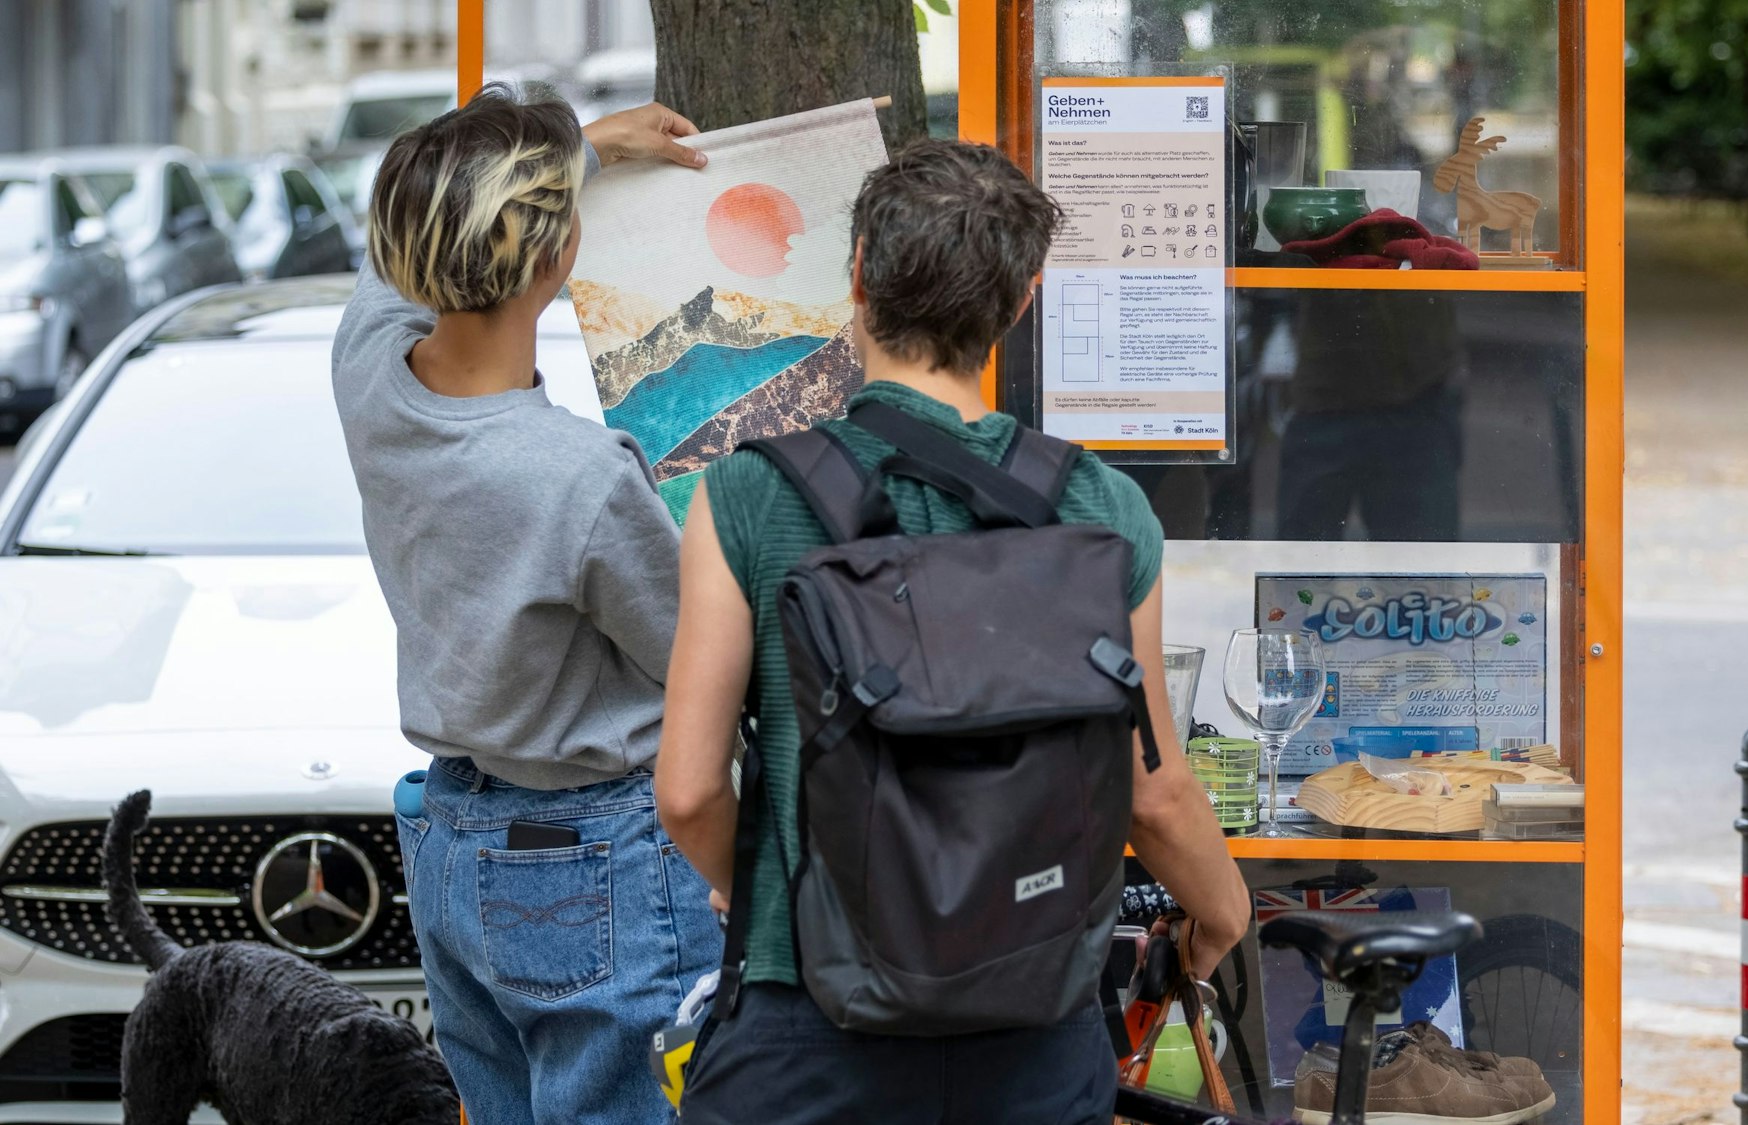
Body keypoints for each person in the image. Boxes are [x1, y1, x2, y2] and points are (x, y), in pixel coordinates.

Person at [656, 139, 1252, 1125]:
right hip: (1033, 1024)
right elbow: (1153, 795)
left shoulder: (750, 495)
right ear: (1020, 300)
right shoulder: (1103, 511)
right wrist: (1221, 915)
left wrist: (763, 892)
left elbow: (685, 792)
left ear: (855, 276)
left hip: (809, 1021)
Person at [330, 84, 722, 1124]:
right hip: (599, 858)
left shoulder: (368, 373)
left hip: (456, 837)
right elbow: (693, 662)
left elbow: (388, 279)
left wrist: (585, 148)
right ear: (555, 259)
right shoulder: (578, 477)